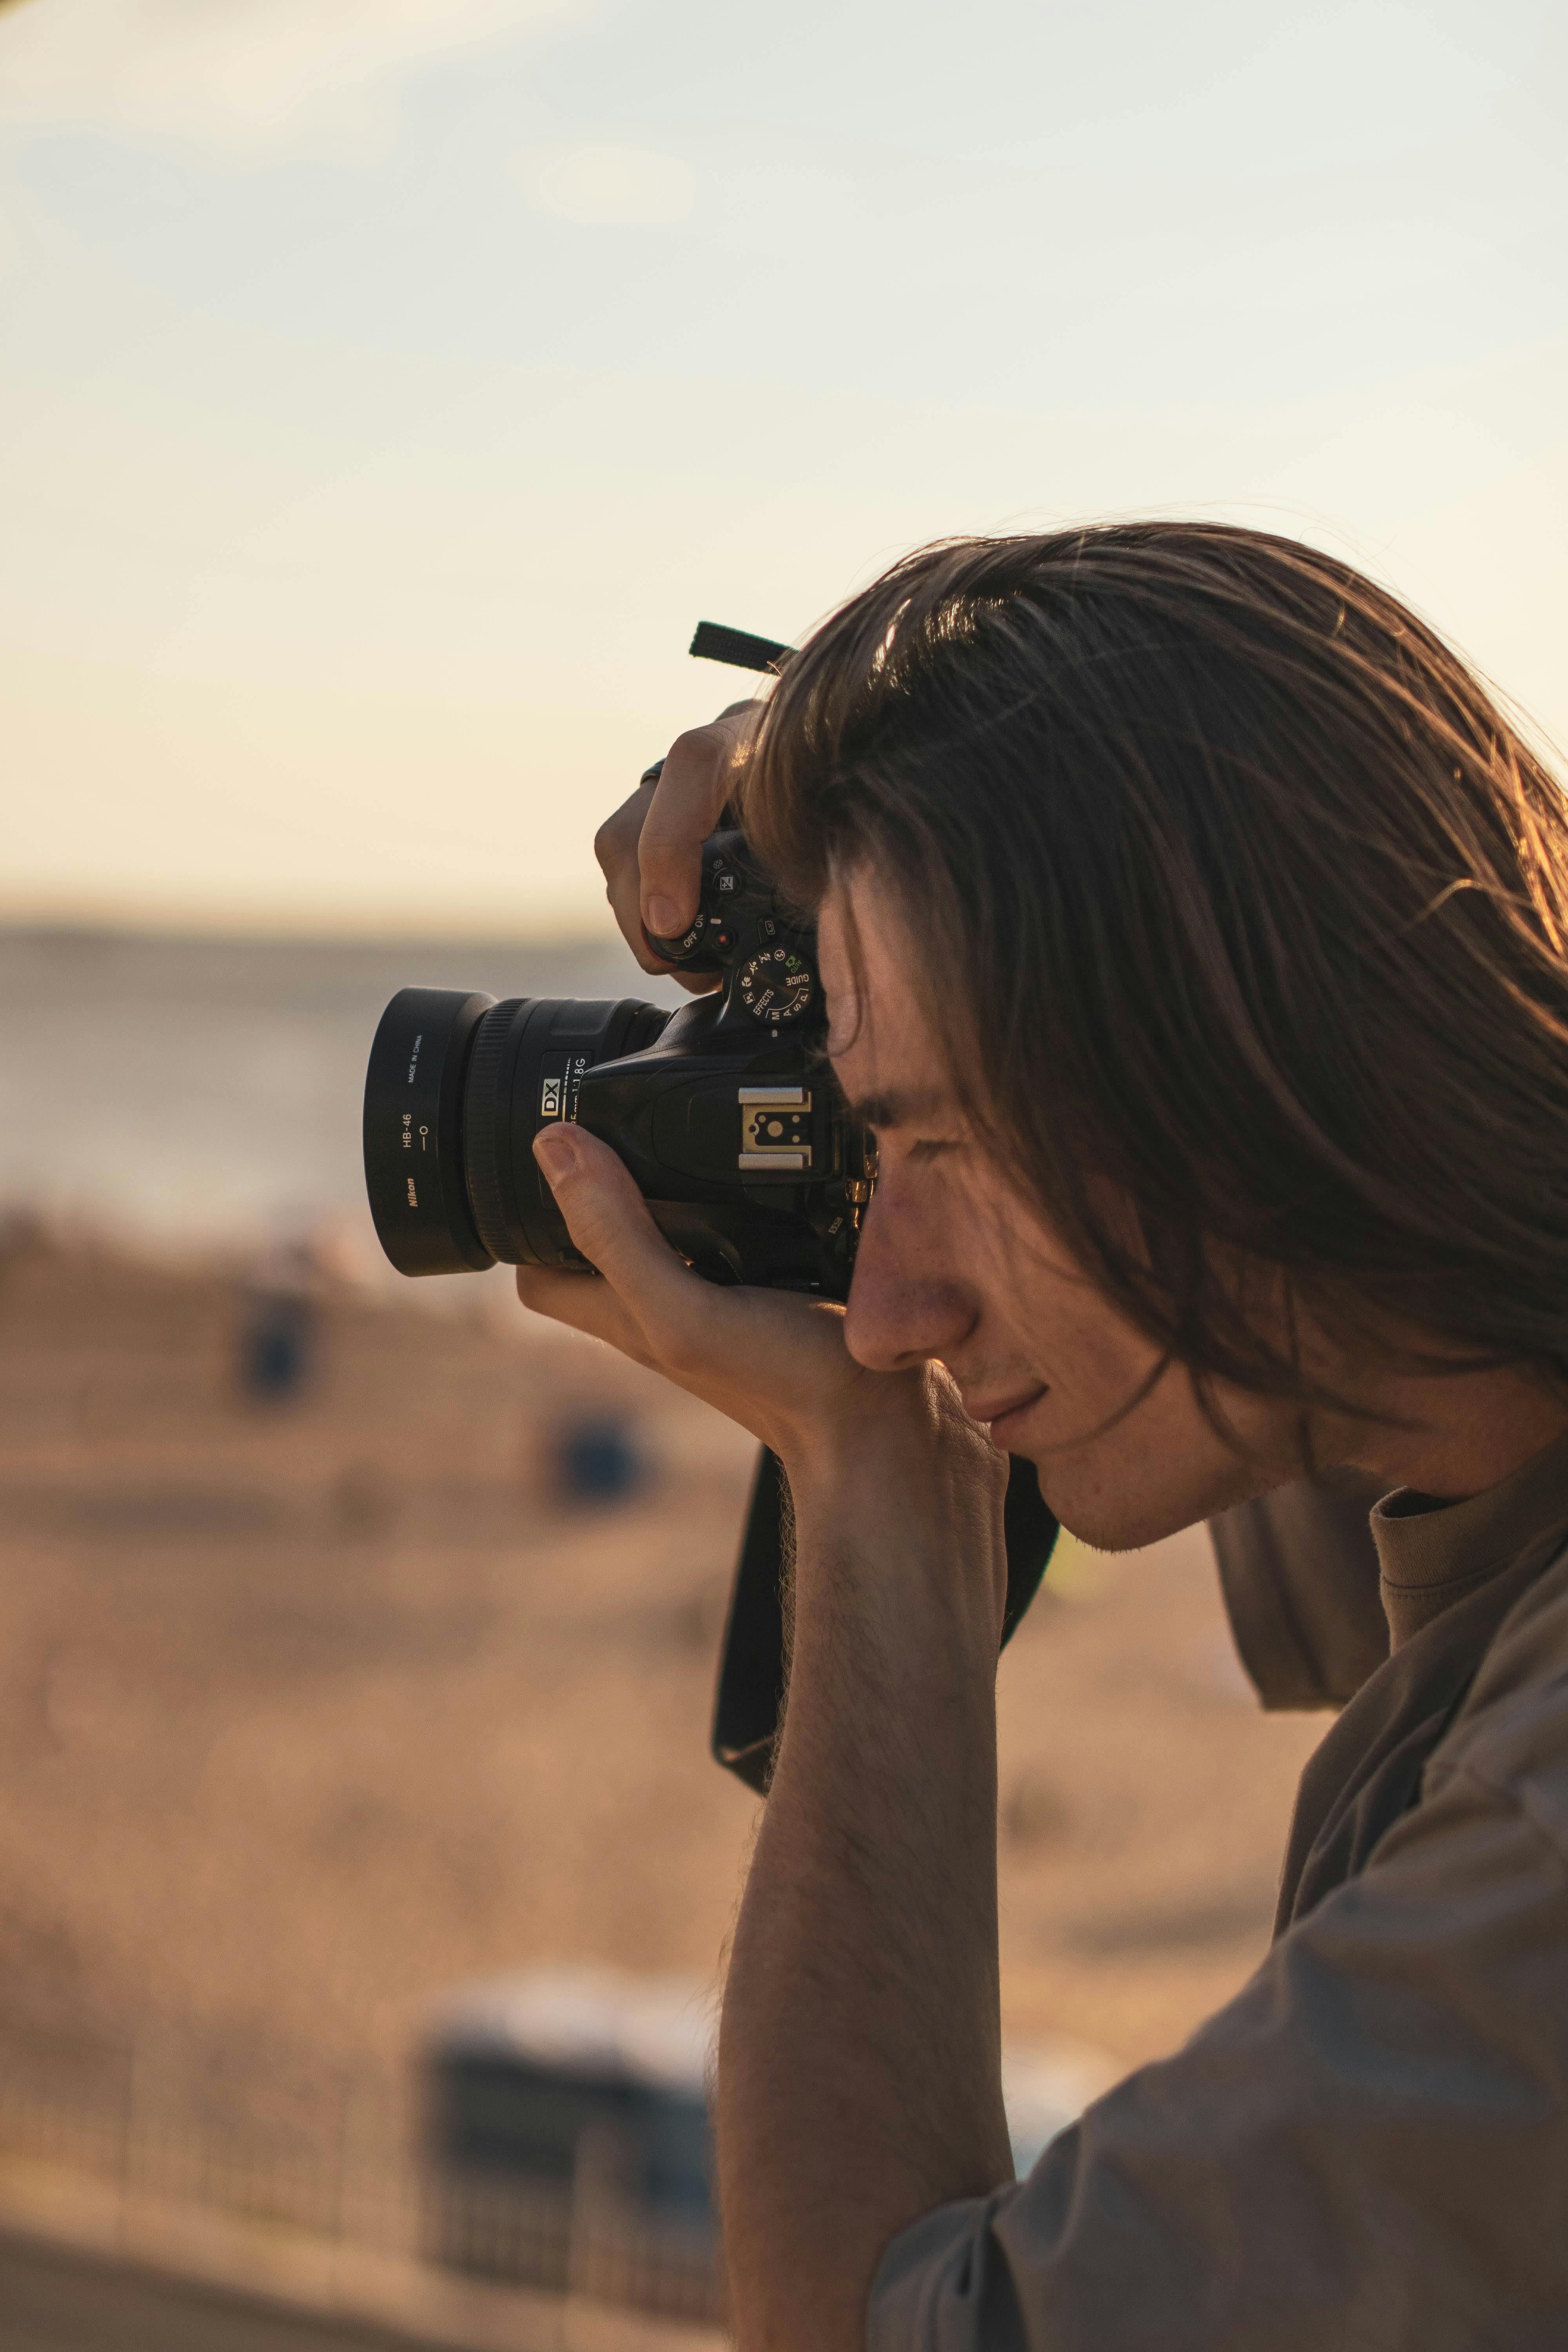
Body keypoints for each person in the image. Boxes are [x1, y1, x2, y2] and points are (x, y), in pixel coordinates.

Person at [517, 524, 1568, 2349]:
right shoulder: (1473, 1438)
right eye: (867, 1148)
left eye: (951, 1149)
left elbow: (870, 2323)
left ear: (1261, 1069)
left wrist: (880, 1484)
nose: (889, 1307)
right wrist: (934, 765)